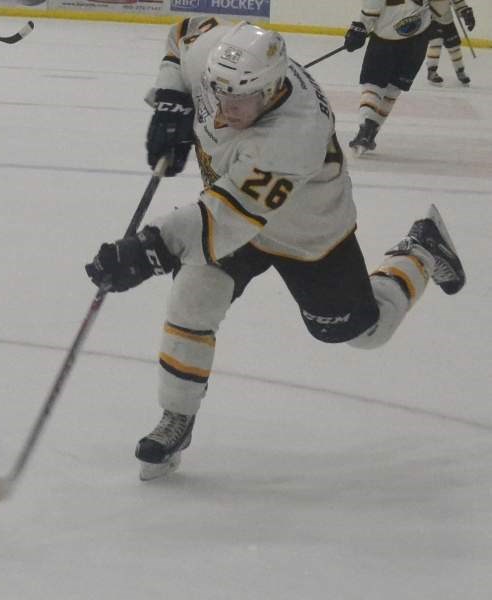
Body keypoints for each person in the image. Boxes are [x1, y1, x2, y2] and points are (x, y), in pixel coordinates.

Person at [86, 18, 466, 481]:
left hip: (306, 231)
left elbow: (224, 221)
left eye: (240, 99)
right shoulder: (220, 61)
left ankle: (422, 249)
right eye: (217, 93)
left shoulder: (295, 134)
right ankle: (178, 418)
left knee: (363, 331)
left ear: (271, 90)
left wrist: (149, 249)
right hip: (231, 205)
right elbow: (182, 32)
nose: (224, 109)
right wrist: (172, 97)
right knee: (193, 295)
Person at [344, 0, 434, 155]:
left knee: (373, 84)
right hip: (418, 40)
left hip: (386, 39)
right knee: (393, 89)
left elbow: (372, 8)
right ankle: (371, 131)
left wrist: (359, 28)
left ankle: (366, 126)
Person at [426, 0, 475, 87]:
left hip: (447, 19)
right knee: (436, 42)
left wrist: (466, 14)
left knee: (454, 46)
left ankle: (460, 71)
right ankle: (431, 71)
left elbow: (458, 2)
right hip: (431, 18)